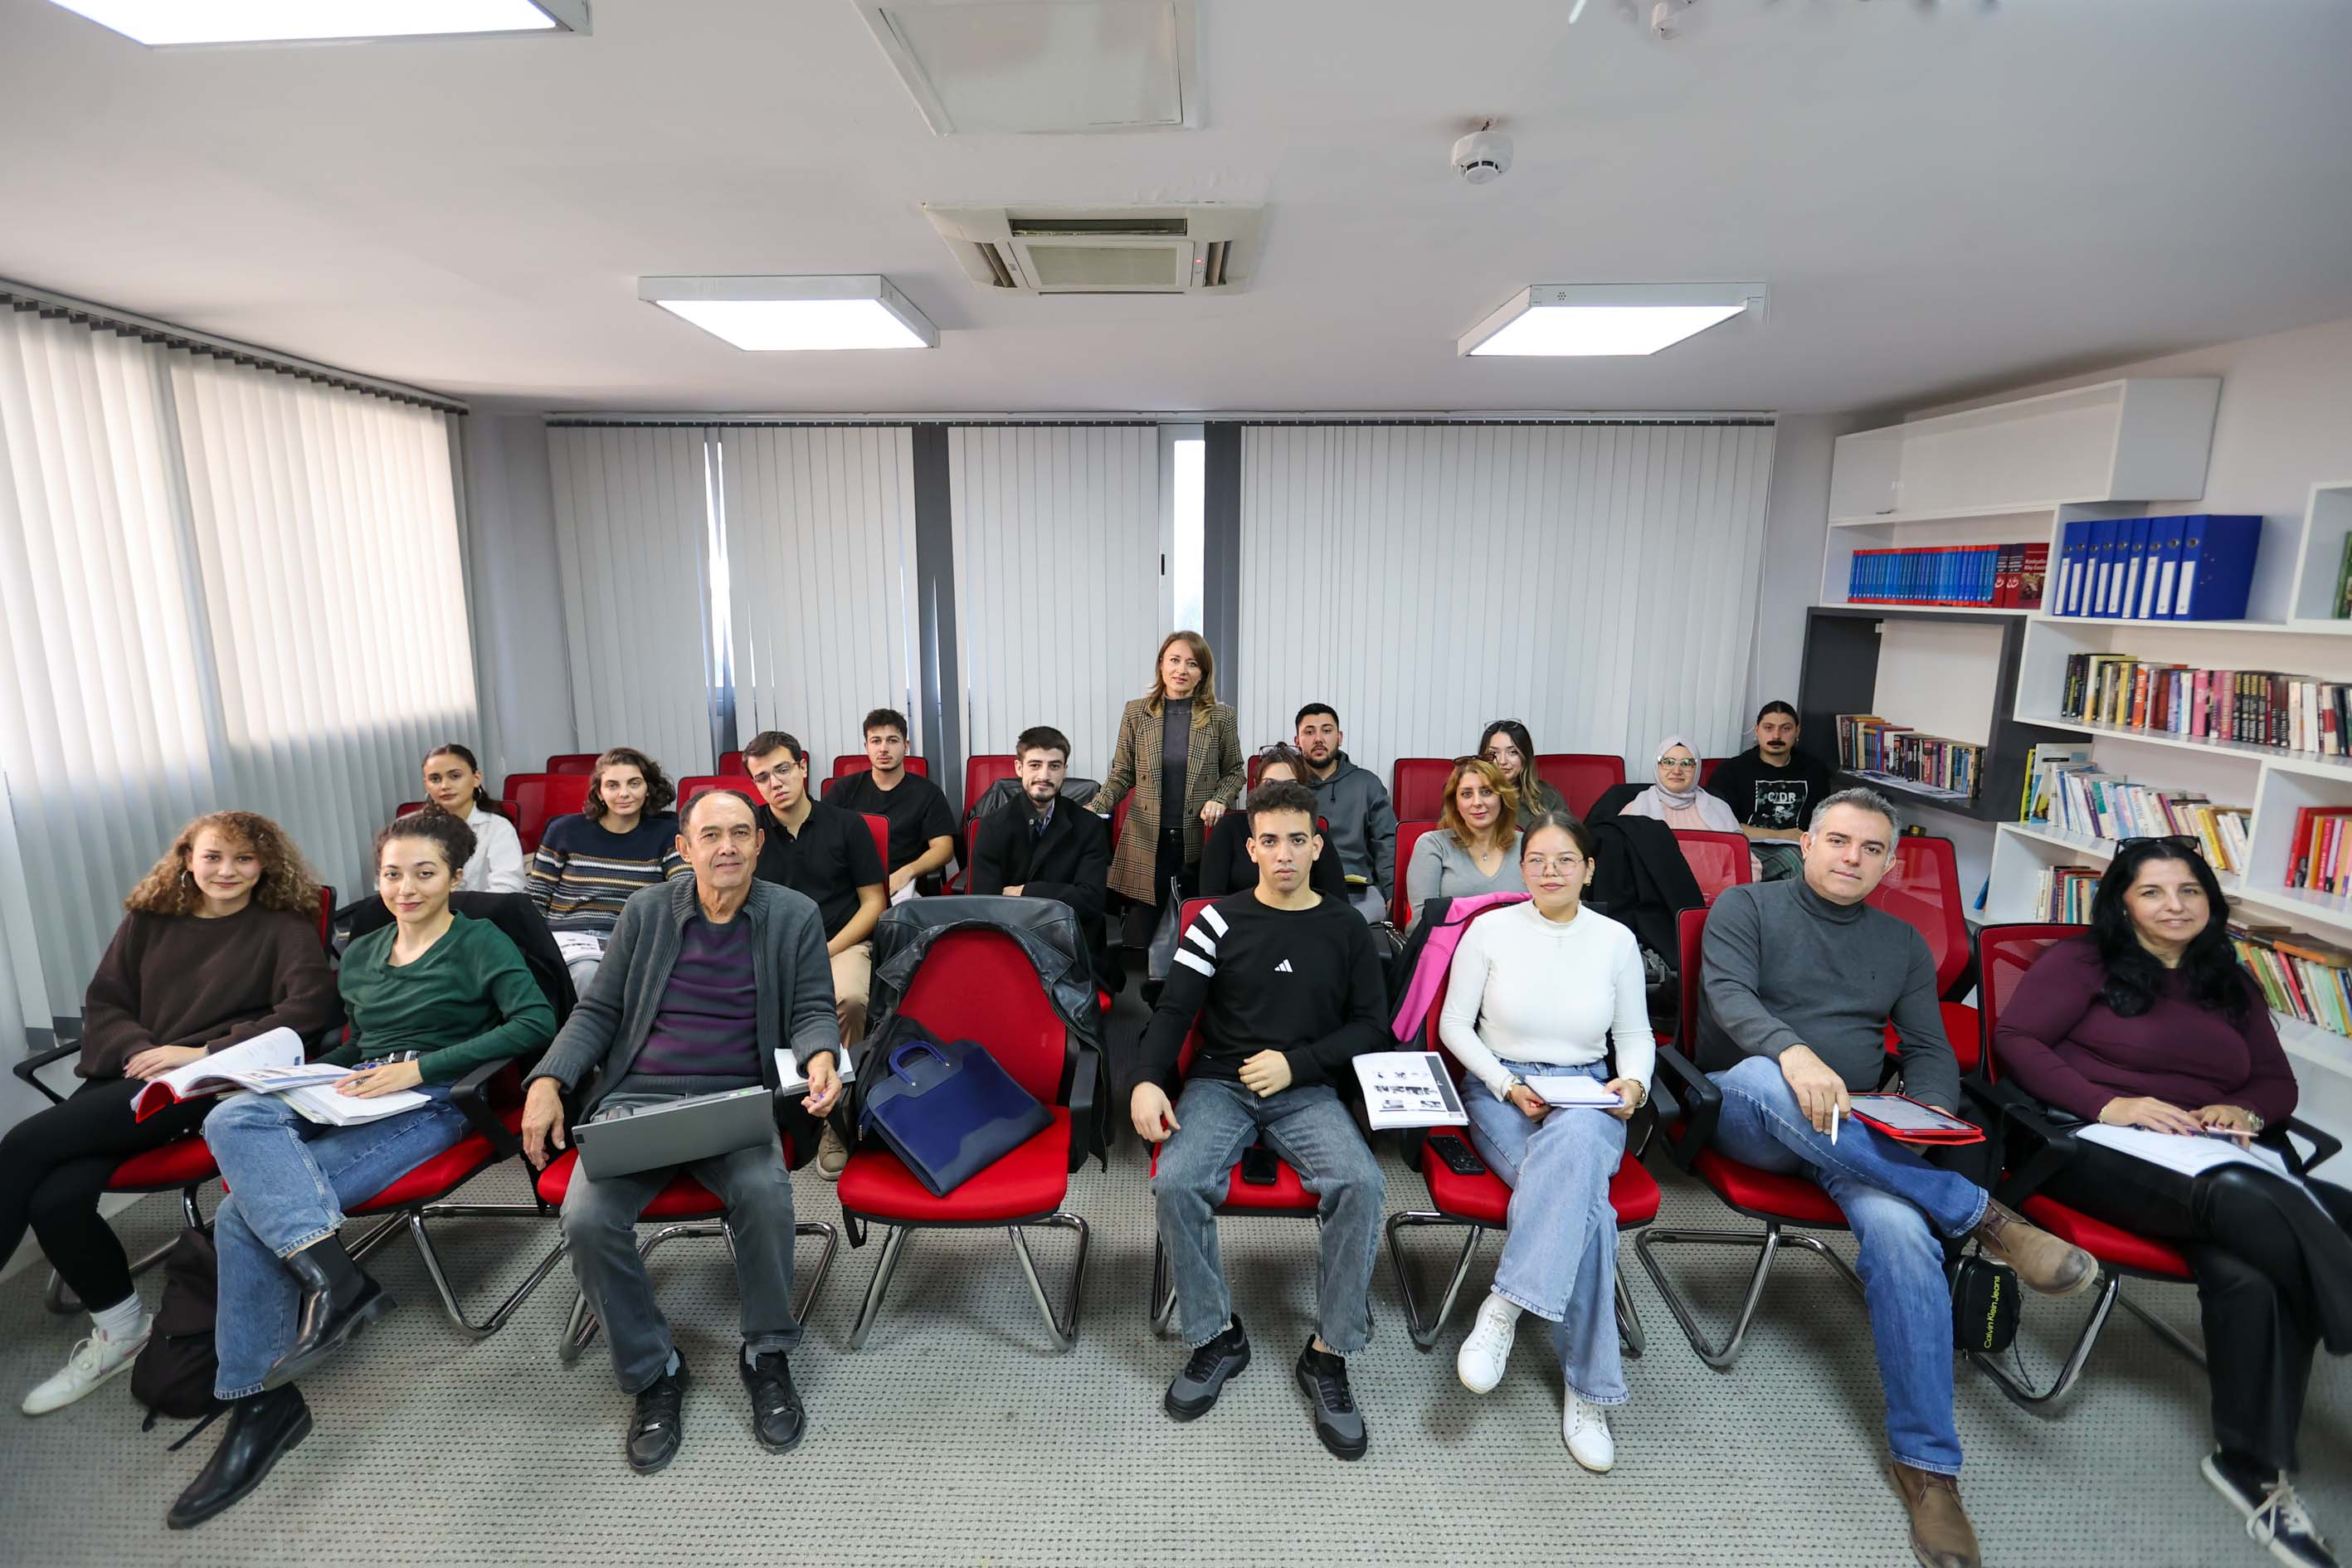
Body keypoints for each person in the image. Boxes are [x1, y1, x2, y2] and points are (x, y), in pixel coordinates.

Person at [1693, 788, 2098, 1568]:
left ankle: (1927, 1468)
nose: (1852, 858)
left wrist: (1928, 1115)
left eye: (1870, 849)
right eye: (1837, 841)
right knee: (1767, 1079)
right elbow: (1728, 997)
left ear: (1887, 863)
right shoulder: (1746, 907)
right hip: (1752, 1110)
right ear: (1805, 844)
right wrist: (1794, 1053)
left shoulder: (1903, 942)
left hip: (1855, 1132)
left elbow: (1927, 1048)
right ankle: (1985, 1217)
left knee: (1904, 1235)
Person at [170, 811, 556, 1528]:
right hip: (351, 1094)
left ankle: (257, 1406)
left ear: (455, 877)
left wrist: (420, 1068)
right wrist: (300, 1076)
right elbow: (360, 1043)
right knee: (231, 1116)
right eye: (391, 874)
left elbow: (535, 1022)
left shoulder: (480, 940)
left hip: (432, 1101)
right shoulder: (365, 950)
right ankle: (335, 1280)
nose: (405, 888)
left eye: (424, 873)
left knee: (239, 1217)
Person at [1994, 839, 2352, 1568]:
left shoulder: (2229, 979)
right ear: (2122, 903)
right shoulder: (2079, 963)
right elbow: (2017, 1040)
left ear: (2209, 903)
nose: (2174, 906)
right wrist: (2109, 1103)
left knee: (2287, 1243)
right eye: (2152, 892)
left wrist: (2245, 1112)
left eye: (2189, 891)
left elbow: (2275, 1083)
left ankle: (2249, 1467)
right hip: (2093, 1145)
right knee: (2248, 1199)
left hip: (2209, 1154)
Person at [522, 788, 843, 1475]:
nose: (727, 847)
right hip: (638, 1100)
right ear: (684, 848)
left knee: (764, 1194)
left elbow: (814, 1008)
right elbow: (597, 1012)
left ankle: (766, 1352)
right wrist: (548, 1080)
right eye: (711, 835)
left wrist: (820, 1055)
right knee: (586, 1218)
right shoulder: (646, 912)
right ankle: (653, 1370)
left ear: (759, 842)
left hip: (736, 1102)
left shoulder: (792, 915)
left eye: (741, 833)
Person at [9, 813, 340, 1418]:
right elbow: (106, 1002)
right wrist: (138, 1049)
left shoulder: (283, 927)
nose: (227, 871)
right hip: (129, 1076)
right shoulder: (150, 920)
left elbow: (309, 1011)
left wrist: (200, 1053)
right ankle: (123, 1329)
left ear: (265, 865)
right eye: (213, 857)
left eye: (244, 859)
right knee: (54, 1201)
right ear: (187, 858)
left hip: (200, 1085)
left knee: (21, 1145)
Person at [1133, 780, 1387, 1461]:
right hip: (1220, 1084)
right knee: (1176, 1181)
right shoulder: (1215, 921)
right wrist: (1146, 1080)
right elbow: (1174, 1011)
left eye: (1296, 840)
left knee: (1360, 1183)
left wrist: (1297, 1064)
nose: (1283, 854)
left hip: (1306, 1089)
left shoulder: (1346, 927)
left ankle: (1328, 1353)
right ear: (1250, 849)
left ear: (1316, 845)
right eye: (1269, 841)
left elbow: (1373, 1026)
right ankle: (1216, 1337)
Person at [1439, 811, 1651, 1472]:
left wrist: (1634, 1083)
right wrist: (1506, 1085)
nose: (1549, 871)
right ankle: (1588, 1391)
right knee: (1592, 1212)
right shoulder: (1488, 930)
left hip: (1587, 1093)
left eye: (1565, 860)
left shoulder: (1614, 940)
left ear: (1588, 869)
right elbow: (1454, 1026)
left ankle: (1502, 1307)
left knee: (1578, 1146)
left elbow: (1634, 1035)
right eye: (1536, 860)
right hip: (1502, 1088)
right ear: (1521, 866)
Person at [743, 728, 884, 1181]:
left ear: (803, 767)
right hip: (769, 948)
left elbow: (874, 904)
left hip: (839, 942)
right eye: (762, 778)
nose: (775, 784)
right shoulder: (748, 832)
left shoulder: (848, 825)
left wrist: (824, 950)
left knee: (850, 1000)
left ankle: (834, 1119)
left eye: (782, 770)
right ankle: (758, 1117)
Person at [1086, 631, 1245, 949]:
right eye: (1174, 660)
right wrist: (1095, 808)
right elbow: (1122, 773)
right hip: (1146, 837)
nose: (1181, 670)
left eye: (1192, 664)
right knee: (1140, 936)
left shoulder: (1221, 717)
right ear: (1161, 664)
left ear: (1203, 673)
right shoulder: (1136, 712)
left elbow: (1235, 771)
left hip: (1197, 836)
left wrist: (1219, 799)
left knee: (1196, 931)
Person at [527, 746, 688, 993]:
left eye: (634, 784)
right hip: (569, 938)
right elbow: (537, 896)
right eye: (612, 785)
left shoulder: (668, 833)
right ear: (599, 793)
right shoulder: (564, 830)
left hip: (631, 937)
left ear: (648, 789)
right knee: (587, 974)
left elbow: (683, 892)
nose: (624, 793)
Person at [971, 725, 1111, 971]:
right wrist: (1062, 895)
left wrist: (1025, 891)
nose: (1044, 775)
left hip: (1072, 944)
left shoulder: (1089, 826)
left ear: (1064, 770)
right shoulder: (992, 826)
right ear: (1019, 768)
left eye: (1054, 766)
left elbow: (1091, 900)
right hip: (1012, 945)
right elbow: (987, 907)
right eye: (1035, 765)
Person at [828, 708, 957, 898]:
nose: (883, 749)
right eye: (876, 741)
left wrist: (907, 872)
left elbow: (944, 849)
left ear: (906, 746)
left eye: (892, 740)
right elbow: (823, 839)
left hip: (900, 885)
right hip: (850, 882)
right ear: (866, 747)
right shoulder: (843, 790)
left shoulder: (928, 793)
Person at [1293, 704, 1396, 923]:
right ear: (1297, 741)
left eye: (1327, 730)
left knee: (1345, 925)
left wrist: (1391, 892)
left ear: (1339, 737)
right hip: (1300, 889)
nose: (1318, 739)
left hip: (1358, 893)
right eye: (1309, 732)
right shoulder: (1288, 785)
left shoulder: (1367, 783)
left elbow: (1387, 842)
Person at [1201, 745, 1345, 900]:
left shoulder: (1315, 835)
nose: (1279, 793)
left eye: (1290, 785)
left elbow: (1337, 901)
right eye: (1270, 785)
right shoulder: (1228, 828)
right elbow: (1210, 897)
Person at [1403, 757, 1525, 924]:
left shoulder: (1528, 844)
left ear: (1502, 797)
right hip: (1450, 940)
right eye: (1467, 794)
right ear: (1455, 803)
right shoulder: (1432, 845)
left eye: (1486, 792)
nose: (1477, 802)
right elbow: (1423, 922)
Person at [1704, 700, 1838, 844]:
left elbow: (1822, 824)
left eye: (1785, 728)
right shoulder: (1731, 771)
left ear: (1797, 731)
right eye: (1768, 728)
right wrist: (1781, 835)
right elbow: (1723, 826)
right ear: (1757, 730)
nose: (1776, 736)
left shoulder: (1815, 771)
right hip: (1747, 847)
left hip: (1800, 848)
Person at [418, 741, 526, 894]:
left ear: (476, 778)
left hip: (483, 907)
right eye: (435, 779)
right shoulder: (414, 829)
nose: (444, 786)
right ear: (426, 785)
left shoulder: (498, 828)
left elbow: (508, 888)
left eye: (455, 776)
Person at [1617, 736, 1743, 833]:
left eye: (1686, 763)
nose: (1677, 771)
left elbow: (1742, 855)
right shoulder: (1636, 808)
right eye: (1668, 762)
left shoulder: (1719, 809)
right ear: (1657, 766)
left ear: (1697, 768)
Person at [1478, 719, 1566, 827]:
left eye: (1512, 752)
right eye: (1493, 753)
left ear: (1525, 757)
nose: (1502, 761)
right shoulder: (1472, 796)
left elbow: (1568, 835)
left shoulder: (1548, 796)